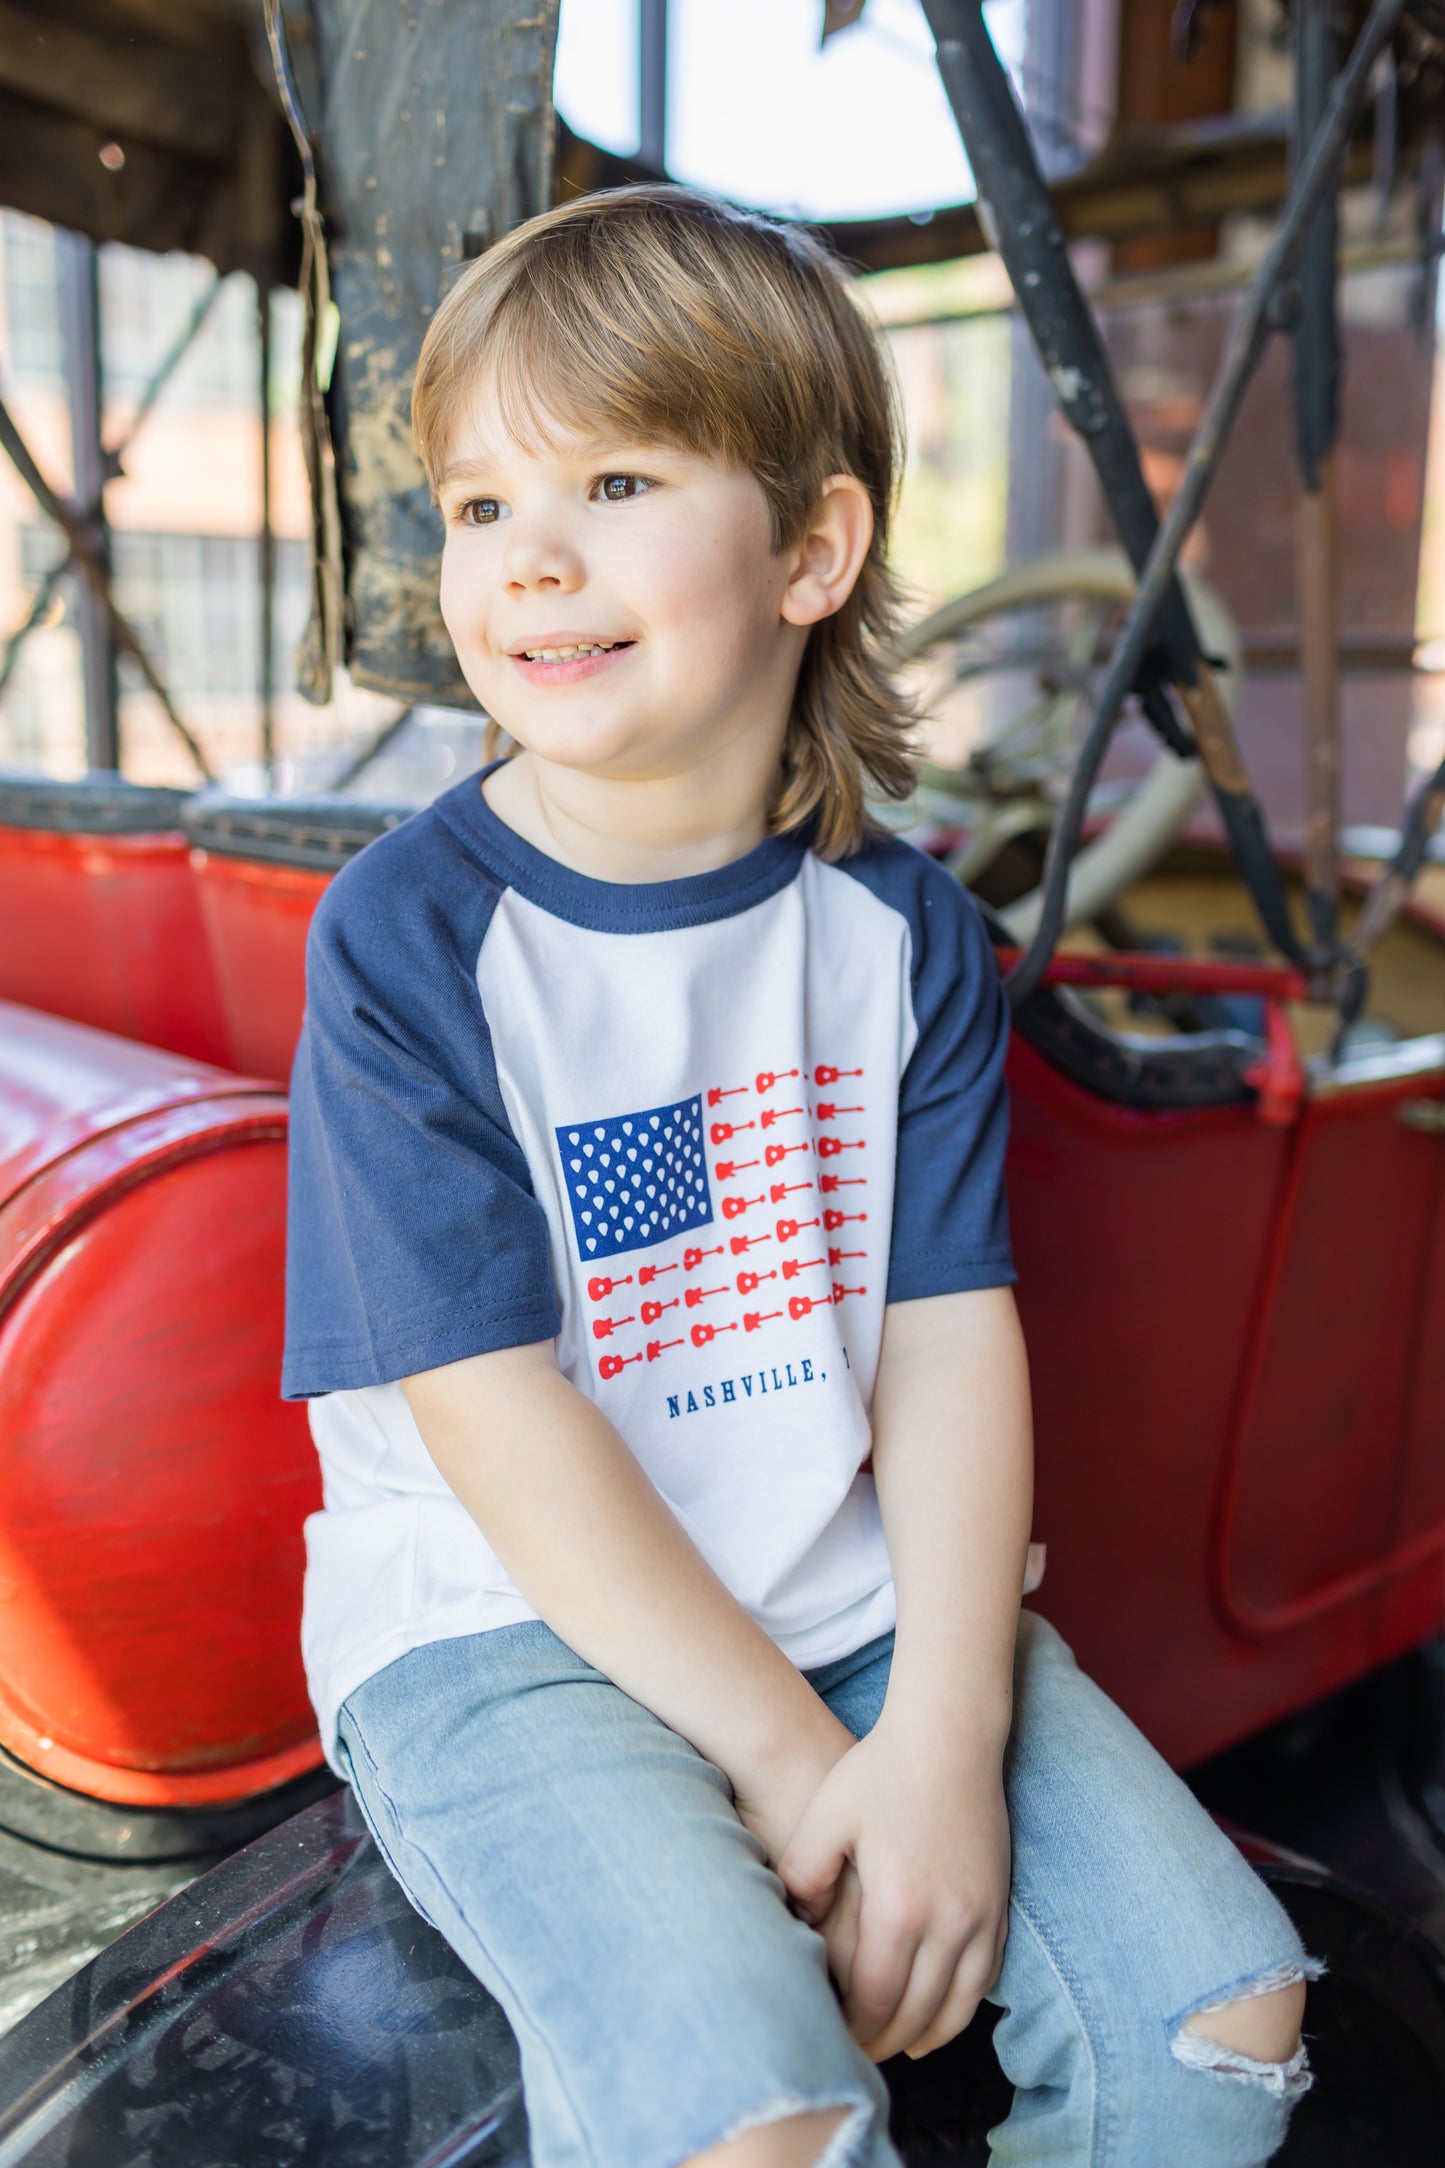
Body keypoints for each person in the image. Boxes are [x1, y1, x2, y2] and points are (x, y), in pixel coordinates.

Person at [283, 185, 1318, 2168]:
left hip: (845, 1585)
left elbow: (943, 1339)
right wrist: (790, 1758)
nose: (529, 561)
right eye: (480, 504)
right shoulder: (413, 940)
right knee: (756, 2121)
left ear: (813, 548)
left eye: (614, 477)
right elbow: (492, 1415)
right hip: (503, 1619)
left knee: (1222, 2013)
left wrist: (933, 1736)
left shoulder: (902, 936)